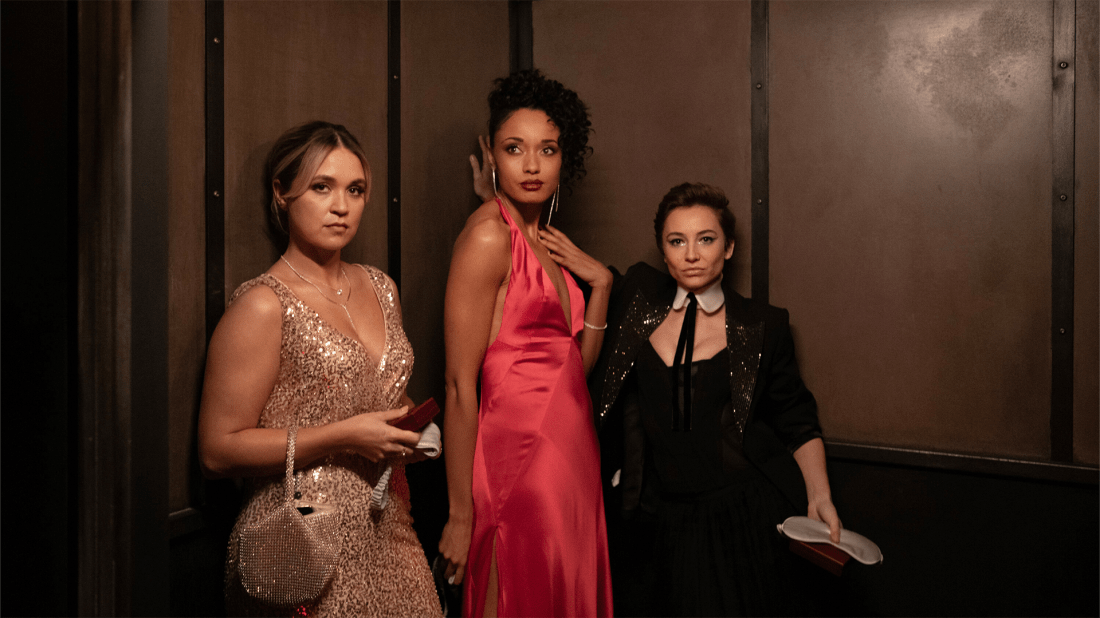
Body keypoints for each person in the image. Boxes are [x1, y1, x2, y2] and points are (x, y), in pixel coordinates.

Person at [197, 121, 442, 617]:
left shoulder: (382, 288)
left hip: (389, 528)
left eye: (355, 190)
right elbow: (216, 451)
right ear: (282, 193)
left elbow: (383, 395)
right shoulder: (264, 304)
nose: (341, 206)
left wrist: (409, 430)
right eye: (321, 187)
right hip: (302, 537)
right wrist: (344, 437)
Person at [590, 182, 842, 617]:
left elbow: (798, 421)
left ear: (728, 248)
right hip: (659, 519)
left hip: (743, 516)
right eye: (677, 241)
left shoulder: (762, 325)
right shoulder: (636, 304)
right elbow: (555, 270)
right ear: (663, 251)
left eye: (706, 239)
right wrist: (499, 207)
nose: (691, 254)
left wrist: (820, 496)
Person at [438, 70, 614, 618]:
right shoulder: (489, 236)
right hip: (517, 467)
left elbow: (573, 369)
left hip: (571, 463)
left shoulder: (545, 242)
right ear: (490, 152)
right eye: (514, 149)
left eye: (548, 150)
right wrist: (460, 514)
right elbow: (459, 386)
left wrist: (602, 286)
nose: (532, 166)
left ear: (565, 159)